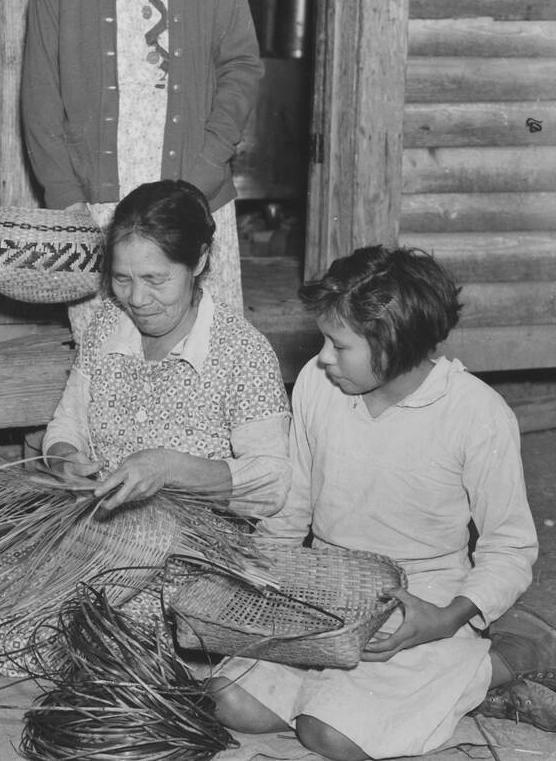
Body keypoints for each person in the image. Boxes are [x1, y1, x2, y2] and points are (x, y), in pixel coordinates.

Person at [208, 245, 552, 760]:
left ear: (394, 344)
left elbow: (509, 547)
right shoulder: (317, 385)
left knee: (328, 735)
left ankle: (501, 658)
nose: (323, 356)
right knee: (228, 701)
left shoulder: (477, 414)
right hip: (325, 587)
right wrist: (258, 575)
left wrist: (447, 616)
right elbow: (292, 505)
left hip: (421, 599)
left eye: (339, 345)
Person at [0, 180, 291, 673]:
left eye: (155, 279)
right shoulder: (108, 325)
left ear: (198, 261)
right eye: (122, 279)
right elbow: (68, 423)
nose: (138, 299)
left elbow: (271, 483)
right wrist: (65, 459)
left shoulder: (242, 352)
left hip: (188, 555)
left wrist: (168, 468)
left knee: (108, 633)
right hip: (98, 531)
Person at [21, 0, 262, 333]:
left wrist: (202, 173)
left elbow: (242, 66)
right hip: (98, 198)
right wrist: (63, 194)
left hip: (191, 188)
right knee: (111, 360)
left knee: (200, 352)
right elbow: (40, 85)